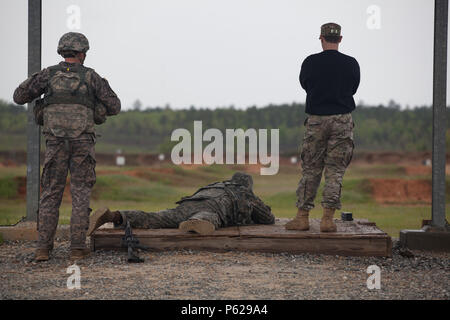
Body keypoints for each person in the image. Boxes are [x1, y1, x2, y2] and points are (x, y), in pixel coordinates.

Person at [13, 32, 121, 261]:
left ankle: (43, 248)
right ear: (82, 53)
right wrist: (94, 106)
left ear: (62, 52)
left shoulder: (48, 75)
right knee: (81, 192)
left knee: (51, 193)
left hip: (55, 142)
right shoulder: (91, 77)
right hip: (83, 142)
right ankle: (76, 248)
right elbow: (114, 105)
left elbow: (19, 96)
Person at [286, 23, 360, 232]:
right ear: (340, 39)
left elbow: (305, 84)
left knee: (311, 169)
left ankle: (302, 218)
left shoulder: (311, 62)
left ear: (321, 37)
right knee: (335, 171)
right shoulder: (351, 63)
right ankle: (328, 220)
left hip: (317, 119)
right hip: (342, 121)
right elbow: (353, 87)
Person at [87, 172, 275, 235]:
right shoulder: (245, 192)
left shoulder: (217, 185)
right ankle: (196, 223)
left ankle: (114, 216)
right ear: (248, 186)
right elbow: (268, 219)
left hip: (189, 204)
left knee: (156, 217)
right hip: (212, 209)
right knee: (209, 217)